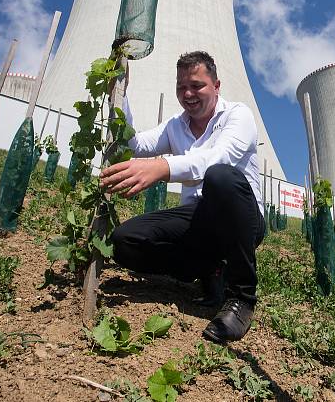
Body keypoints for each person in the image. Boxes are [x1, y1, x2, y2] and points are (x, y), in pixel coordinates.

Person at [100, 51, 265, 344]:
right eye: (181, 87)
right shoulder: (176, 125)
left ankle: (241, 298)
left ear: (216, 85)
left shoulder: (238, 115)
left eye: (197, 85)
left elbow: (218, 157)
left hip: (239, 217)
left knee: (220, 176)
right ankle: (206, 269)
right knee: (124, 241)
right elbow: (134, 144)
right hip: (197, 218)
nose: (188, 94)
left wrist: (162, 167)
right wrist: (121, 92)